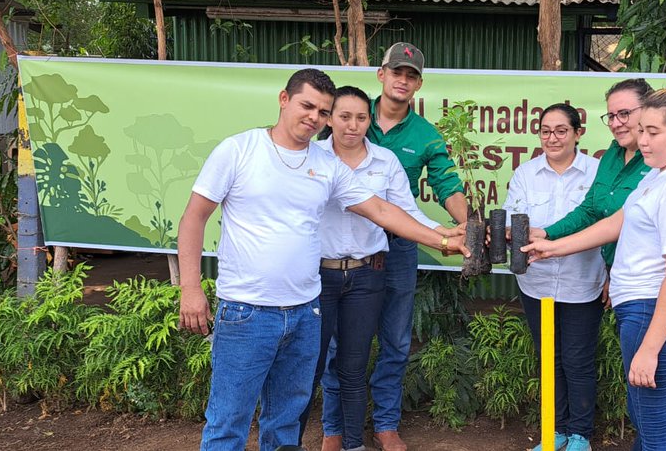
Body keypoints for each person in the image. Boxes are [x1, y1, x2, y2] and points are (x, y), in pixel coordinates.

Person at [176, 69, 466, 451]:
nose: (313, 117)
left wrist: (443, 238)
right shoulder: (239, 150)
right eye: (307, 105)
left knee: (283, 423)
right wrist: (191, 289)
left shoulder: (326, 165)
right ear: (284, 99)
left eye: (322, 111)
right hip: (247, 310)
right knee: (229, 420)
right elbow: (193, 218)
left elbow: (381, 210)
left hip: (304, 312)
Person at [522, 73, 666, 451]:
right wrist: (554, 246)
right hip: (641, 309)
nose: (641, 139)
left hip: (655, 311)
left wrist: (650, 349)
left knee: (657, 429)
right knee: (646, 418)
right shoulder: (659, 174)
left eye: (652, 132)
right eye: (641, 130)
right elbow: (615, 220)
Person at [305, 86, 449, 451]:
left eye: (360, 118)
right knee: (321, 358)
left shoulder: (385, 161)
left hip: (368, 272)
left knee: (357, 359)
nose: (352, 126)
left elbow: (403, 213)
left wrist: (445, 233)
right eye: (343, 117)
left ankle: (363, 437)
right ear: (329, 118)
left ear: (370, 120)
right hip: (318, 273)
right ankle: (331, 431)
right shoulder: (311, 156)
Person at [358, 42, 468, 451]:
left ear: (418, 84)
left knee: (396, 338)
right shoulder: (350, 115)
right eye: (397, 72)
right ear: (381, 74)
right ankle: (338, 426)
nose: (403, 80)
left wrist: (466, 225)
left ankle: (386, 423)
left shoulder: (426, 135)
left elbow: (447, 185)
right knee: (339, 338)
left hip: (400, 244)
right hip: (345, 245)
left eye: (411, 75)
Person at [502, 104, 602, 451]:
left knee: (578, 359)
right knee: (549, 357)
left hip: (582, 282)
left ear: (578, 133)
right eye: (546, 130)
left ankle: (580, 436)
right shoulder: (525, 174)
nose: (552, 137)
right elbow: (514, 222)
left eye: (561, 130)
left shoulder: (597, 173)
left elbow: (608, 225)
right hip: (537, 283)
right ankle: (554, 431)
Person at [529, 79, 656, 306]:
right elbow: (590, 209)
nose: (616, 123)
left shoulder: (660, 162)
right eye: (611, 116)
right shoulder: (612, 155)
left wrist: (552, 248)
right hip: (621, 276)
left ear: (649, 112)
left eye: (624, 114)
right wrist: (546, 234)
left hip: (653, 282)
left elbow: (618, 225)